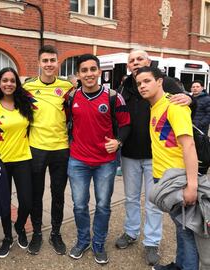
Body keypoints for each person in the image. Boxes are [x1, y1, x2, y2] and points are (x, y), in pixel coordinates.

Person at [115, 50, 192, 266]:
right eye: (132, 60)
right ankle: (130, 232)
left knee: (154, 202)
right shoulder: (124, 87)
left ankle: (151, 241)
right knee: (130, 198)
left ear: (148, 62)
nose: (136, 62)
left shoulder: (164, 82)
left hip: (155, 157)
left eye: (140, 59)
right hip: (130, 154)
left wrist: (191, 98)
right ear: (128, 66)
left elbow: (185, 103)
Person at [67, 54, 130, 264]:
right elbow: (65, 122)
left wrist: (118, 141)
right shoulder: (71, 97)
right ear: (78, 74)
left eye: (92, 69)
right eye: (84, 70)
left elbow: (126, 124)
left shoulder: (113, 97)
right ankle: (83, 240)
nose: (89, 74)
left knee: (103, 205)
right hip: (77, 161)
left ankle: (98, 244)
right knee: (79, 205)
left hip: (105, 162)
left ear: (99, 72)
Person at [135, 66, 200, 270]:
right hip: (163, 178)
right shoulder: (155, 106)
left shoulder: (174, 106)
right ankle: (180, 266)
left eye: (147, 81)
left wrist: (192, 185)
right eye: (139, 83)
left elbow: (188, 144)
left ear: (160, 81)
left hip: (178, 179)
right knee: (181, 228)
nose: (142, 86)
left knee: (186, 231)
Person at [23, 45, 73, 255]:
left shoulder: (68, 87)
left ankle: (55, 233)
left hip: (61, 149)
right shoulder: (27, 88)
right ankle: (36, 233)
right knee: (36, 194)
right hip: (36, 148)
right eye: (45, 61)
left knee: (58, 194)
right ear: (39, 63)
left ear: (57, 62)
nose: (49, 64)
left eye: (53, 60)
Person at [0, 67, 34, 258]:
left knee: (27, 201)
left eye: (12, 80)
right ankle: (7, 237)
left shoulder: (24, 104)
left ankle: (20, 226)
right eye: (5, 80)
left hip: (23, 159)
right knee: (4, 203)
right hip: (1, 161)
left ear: (17, 83)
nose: (9, 84)